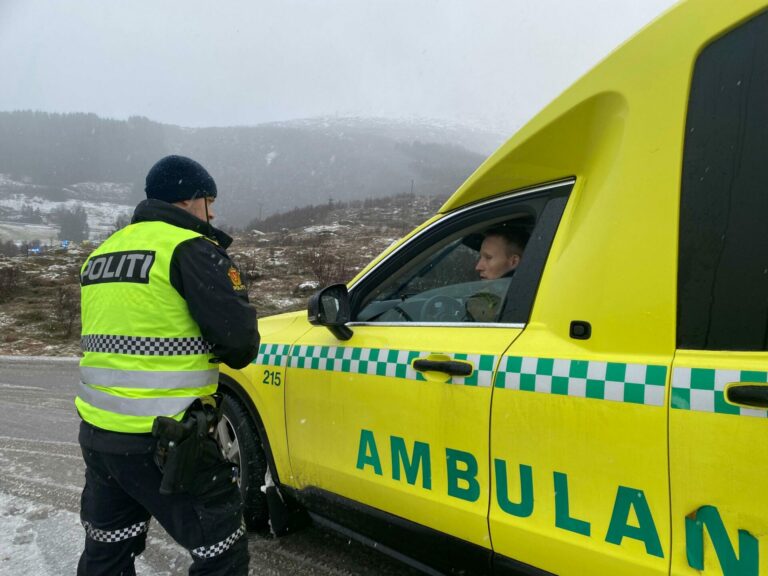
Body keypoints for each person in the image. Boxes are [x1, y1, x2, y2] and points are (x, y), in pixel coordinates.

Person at [76, 155, 259, 575]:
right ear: (192, 200)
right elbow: (240, 345)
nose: (212, 212)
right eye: (209, 201)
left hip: (101, 438)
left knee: (107, 554)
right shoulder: (191, 249)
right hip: (167, 440)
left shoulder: (101, 255)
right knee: (222, 553)